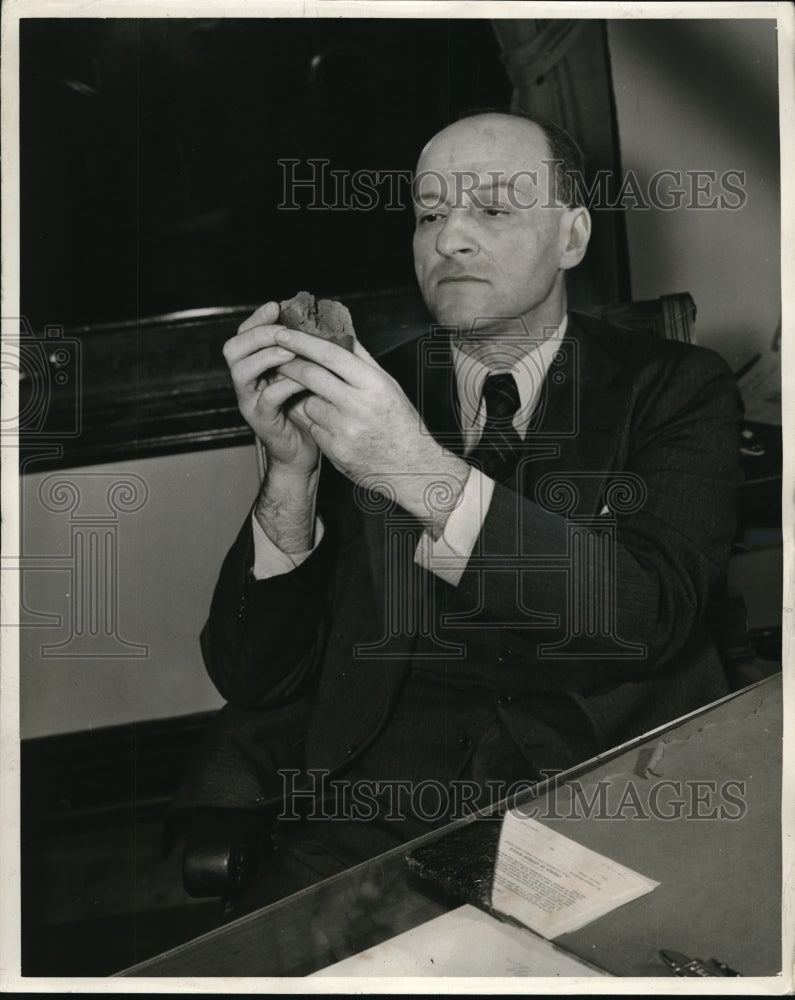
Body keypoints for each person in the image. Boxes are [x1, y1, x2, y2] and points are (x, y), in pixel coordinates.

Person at [178, 111, 743, 913]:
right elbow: (254, 676)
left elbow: (645, 613)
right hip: (371, 820)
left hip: (596, 808)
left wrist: (412, 467)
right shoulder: (367, 388)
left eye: (494, 208)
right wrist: (291, 474)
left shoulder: (677, 389)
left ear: (572, 237)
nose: (449, 239)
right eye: (430, 214)